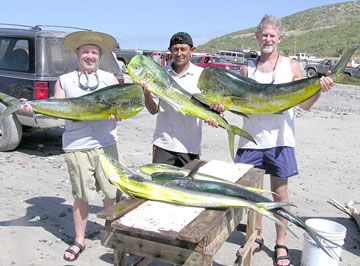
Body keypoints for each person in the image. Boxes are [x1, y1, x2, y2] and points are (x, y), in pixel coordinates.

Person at [234, 15, 334, 266]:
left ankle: (281, 243)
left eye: (272, 35)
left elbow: (305, 105)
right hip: (251, 140)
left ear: (280, 38)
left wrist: (318, 90)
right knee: (252, 195)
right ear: (257, 37)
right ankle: (254, 237)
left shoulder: (291, 66)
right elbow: (239, 106)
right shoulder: (247, 69)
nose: (268, 39)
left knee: (280, 194)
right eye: (264, 35)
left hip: (280, 140)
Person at [21, 31, 122, 262]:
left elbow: (121, 111)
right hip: (77, 146)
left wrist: (118, 116)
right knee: (81, 196)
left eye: (94, 52)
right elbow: (57, 113)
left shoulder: (110, 79)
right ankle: (79, 240)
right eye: (85, 51)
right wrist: (33, 108)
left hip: (107, 144)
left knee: (111, 193)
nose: (90, 56)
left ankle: (112, 233)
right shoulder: (64, 80)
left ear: (100, 55)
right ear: (78, 53)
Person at [140, 32, 223, 167]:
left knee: (187, 187)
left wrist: (217, 114)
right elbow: (153, 110)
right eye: (175, 49)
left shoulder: (202, 75)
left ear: (192, 51)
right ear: (170, 51)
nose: (179, 53)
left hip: (190, 147)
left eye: (183, 49)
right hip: (163, 145)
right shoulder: (159, 74)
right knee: (161, 187)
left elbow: (212, 106)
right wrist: (146, 92)